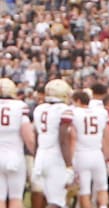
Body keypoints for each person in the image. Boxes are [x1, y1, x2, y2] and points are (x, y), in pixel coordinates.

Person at [31, 79, 76, 208]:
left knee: (50, 198)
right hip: (55, 157)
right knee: (57, 201)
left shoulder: (39, 109)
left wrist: (36, 159)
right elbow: (63, 140)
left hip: (41, 156)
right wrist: (69, 165)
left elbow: (36, 137)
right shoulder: (63, 109)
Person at [71, 89, 109, 208]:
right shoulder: (100, 113)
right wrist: (108, 156)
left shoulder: (74, 113)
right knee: (102, 188)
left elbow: (72, 137)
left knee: (84, 191)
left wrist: (71, 161)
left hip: (81, 154)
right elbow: (107, 136)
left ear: (78, 101)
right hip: (97, 154)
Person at [0, 79, 33, 208]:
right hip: (14, 156)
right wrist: (35, 152)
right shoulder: (19, 106)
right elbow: (28, 135)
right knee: (16, 198)